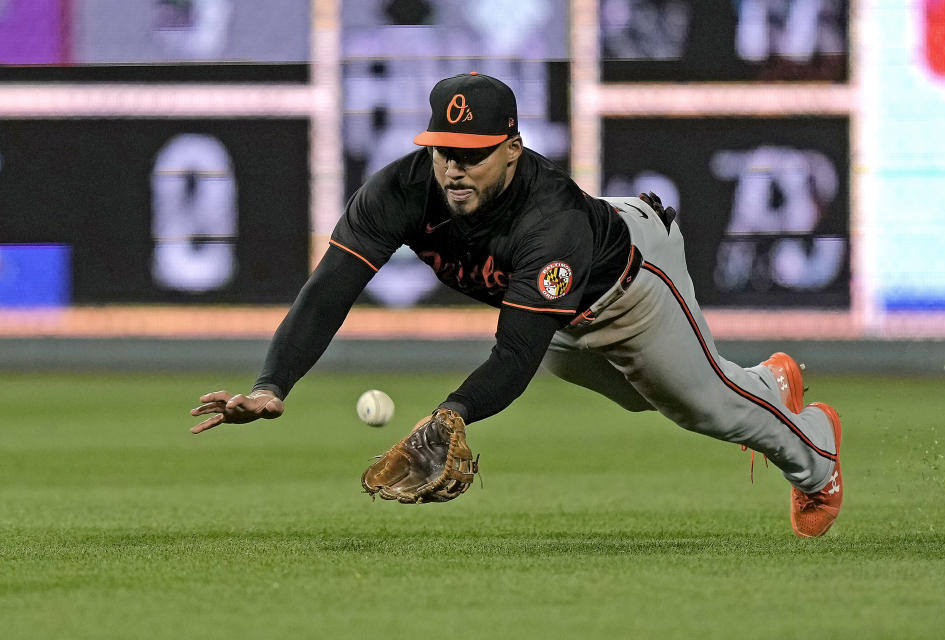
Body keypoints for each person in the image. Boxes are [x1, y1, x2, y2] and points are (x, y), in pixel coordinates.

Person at [190, 72, 843, 537]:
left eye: (473, 156)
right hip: (558, 309)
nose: (454, 169)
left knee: (704, 408)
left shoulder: (548, 221)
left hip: (629, 281)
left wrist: (454, 412)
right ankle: (763, 382)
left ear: (512, 149)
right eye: (445, 152)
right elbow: (331, 286)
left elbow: (516, 353)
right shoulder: (399, 190)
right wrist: (272, 383)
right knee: (649, 398)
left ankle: (816, 453)